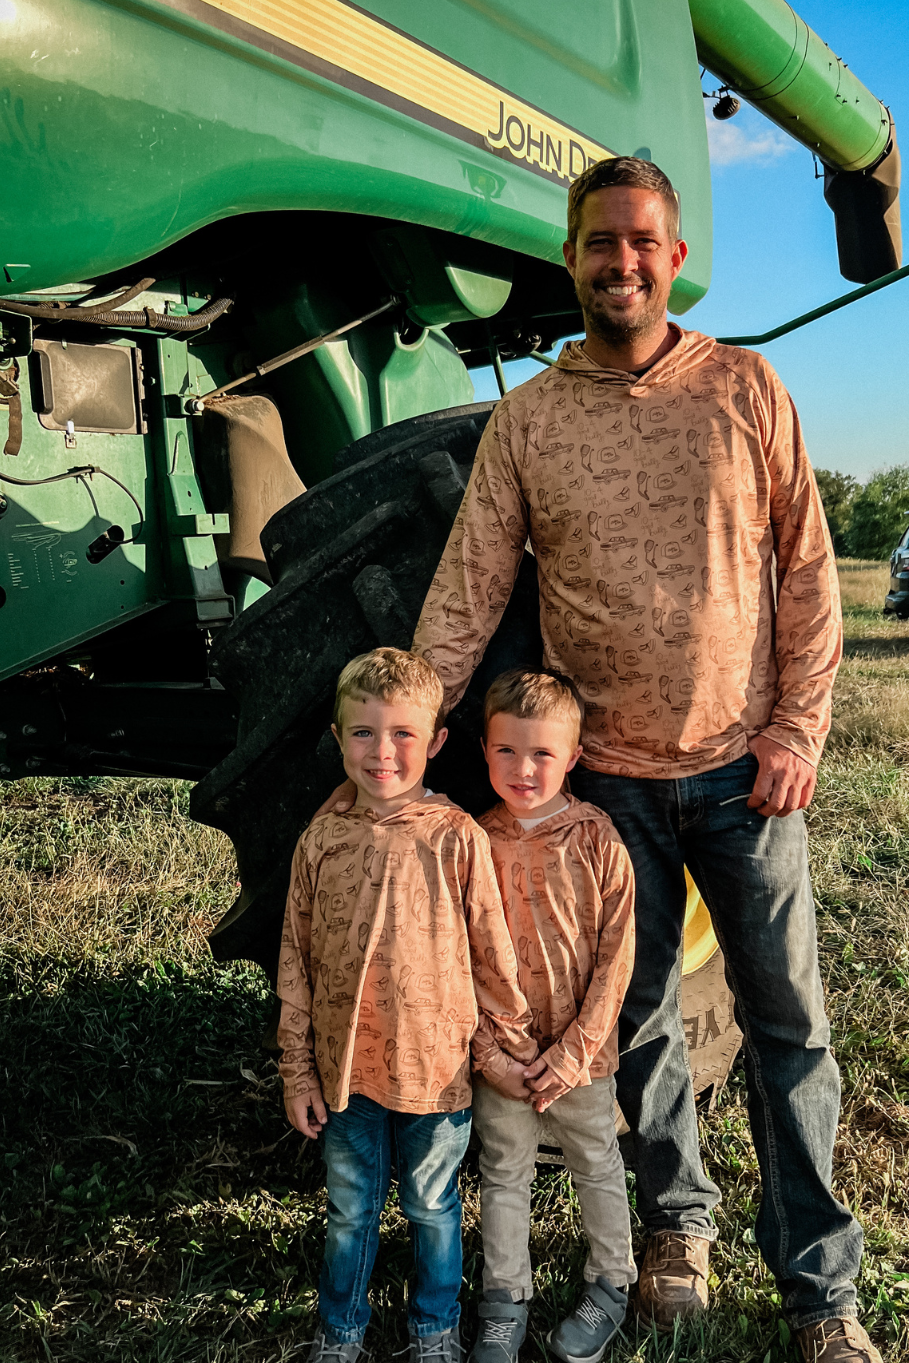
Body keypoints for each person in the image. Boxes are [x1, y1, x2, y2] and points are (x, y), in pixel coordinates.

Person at [408, 157, 880, 1362]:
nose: (621, 263)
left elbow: (810, 573)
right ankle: (678, 1224)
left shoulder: (745, 387)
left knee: (790, 1031)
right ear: (570, 258)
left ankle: (823, 1291)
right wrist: (416, 723)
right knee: (641, 1021)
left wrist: (796, 730)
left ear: (674, 258)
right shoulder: (529, 419)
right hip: (604, 787)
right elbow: (469, 588)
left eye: (643, 243)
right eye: (598, 245)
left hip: (743, 771)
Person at [277, 647, 538, 1363]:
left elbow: (492, 954)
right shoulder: (320, 840)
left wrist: (508, 1049)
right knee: (350, 1210)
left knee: (432, 1207)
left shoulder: (457, 839)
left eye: (402, 734)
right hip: (344, 1075)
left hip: (435, 1073)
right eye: (362, 732)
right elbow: (295, 963)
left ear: (437, 743)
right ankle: (340, 1329)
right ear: (337, 739)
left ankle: (433, 1328)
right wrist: (297, 1071)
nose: (382, 751)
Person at [468, 669, 636, 1363]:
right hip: (501, 1057)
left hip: (581, 1057)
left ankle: (610, 1282)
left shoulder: (598, 841)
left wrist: (571, 1052)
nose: (524, 768)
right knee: (503, 1170)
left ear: (573, 756)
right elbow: (456, 956)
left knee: (595, 1161)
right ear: (483, 750)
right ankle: (503, 1298)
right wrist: (491, 1054)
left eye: (542, 753)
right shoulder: (471, 841)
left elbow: (616, 956)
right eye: (507, 750)